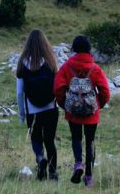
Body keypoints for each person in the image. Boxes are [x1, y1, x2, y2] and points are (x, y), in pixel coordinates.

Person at [53, 35, 110, 188]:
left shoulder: (66, 67)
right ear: (89, 49)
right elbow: (105, 91)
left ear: (74, 49)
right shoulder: (95, 68)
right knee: (90, 141)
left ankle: (78, 163)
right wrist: (99, 104)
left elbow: (58, 88)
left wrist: (64, 104)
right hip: (92, 112)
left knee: (76, 138)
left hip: (73, 111)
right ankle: (89, 176)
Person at [16, 29, 59, 181]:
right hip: (51, 108)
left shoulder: (22, 63)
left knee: (36, 138)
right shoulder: (51, 61)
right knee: (50, 140)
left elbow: (20, 93)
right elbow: (57, 86)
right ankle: (53, 174)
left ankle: (40, 158)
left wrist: (21, 114)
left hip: (32, 110)